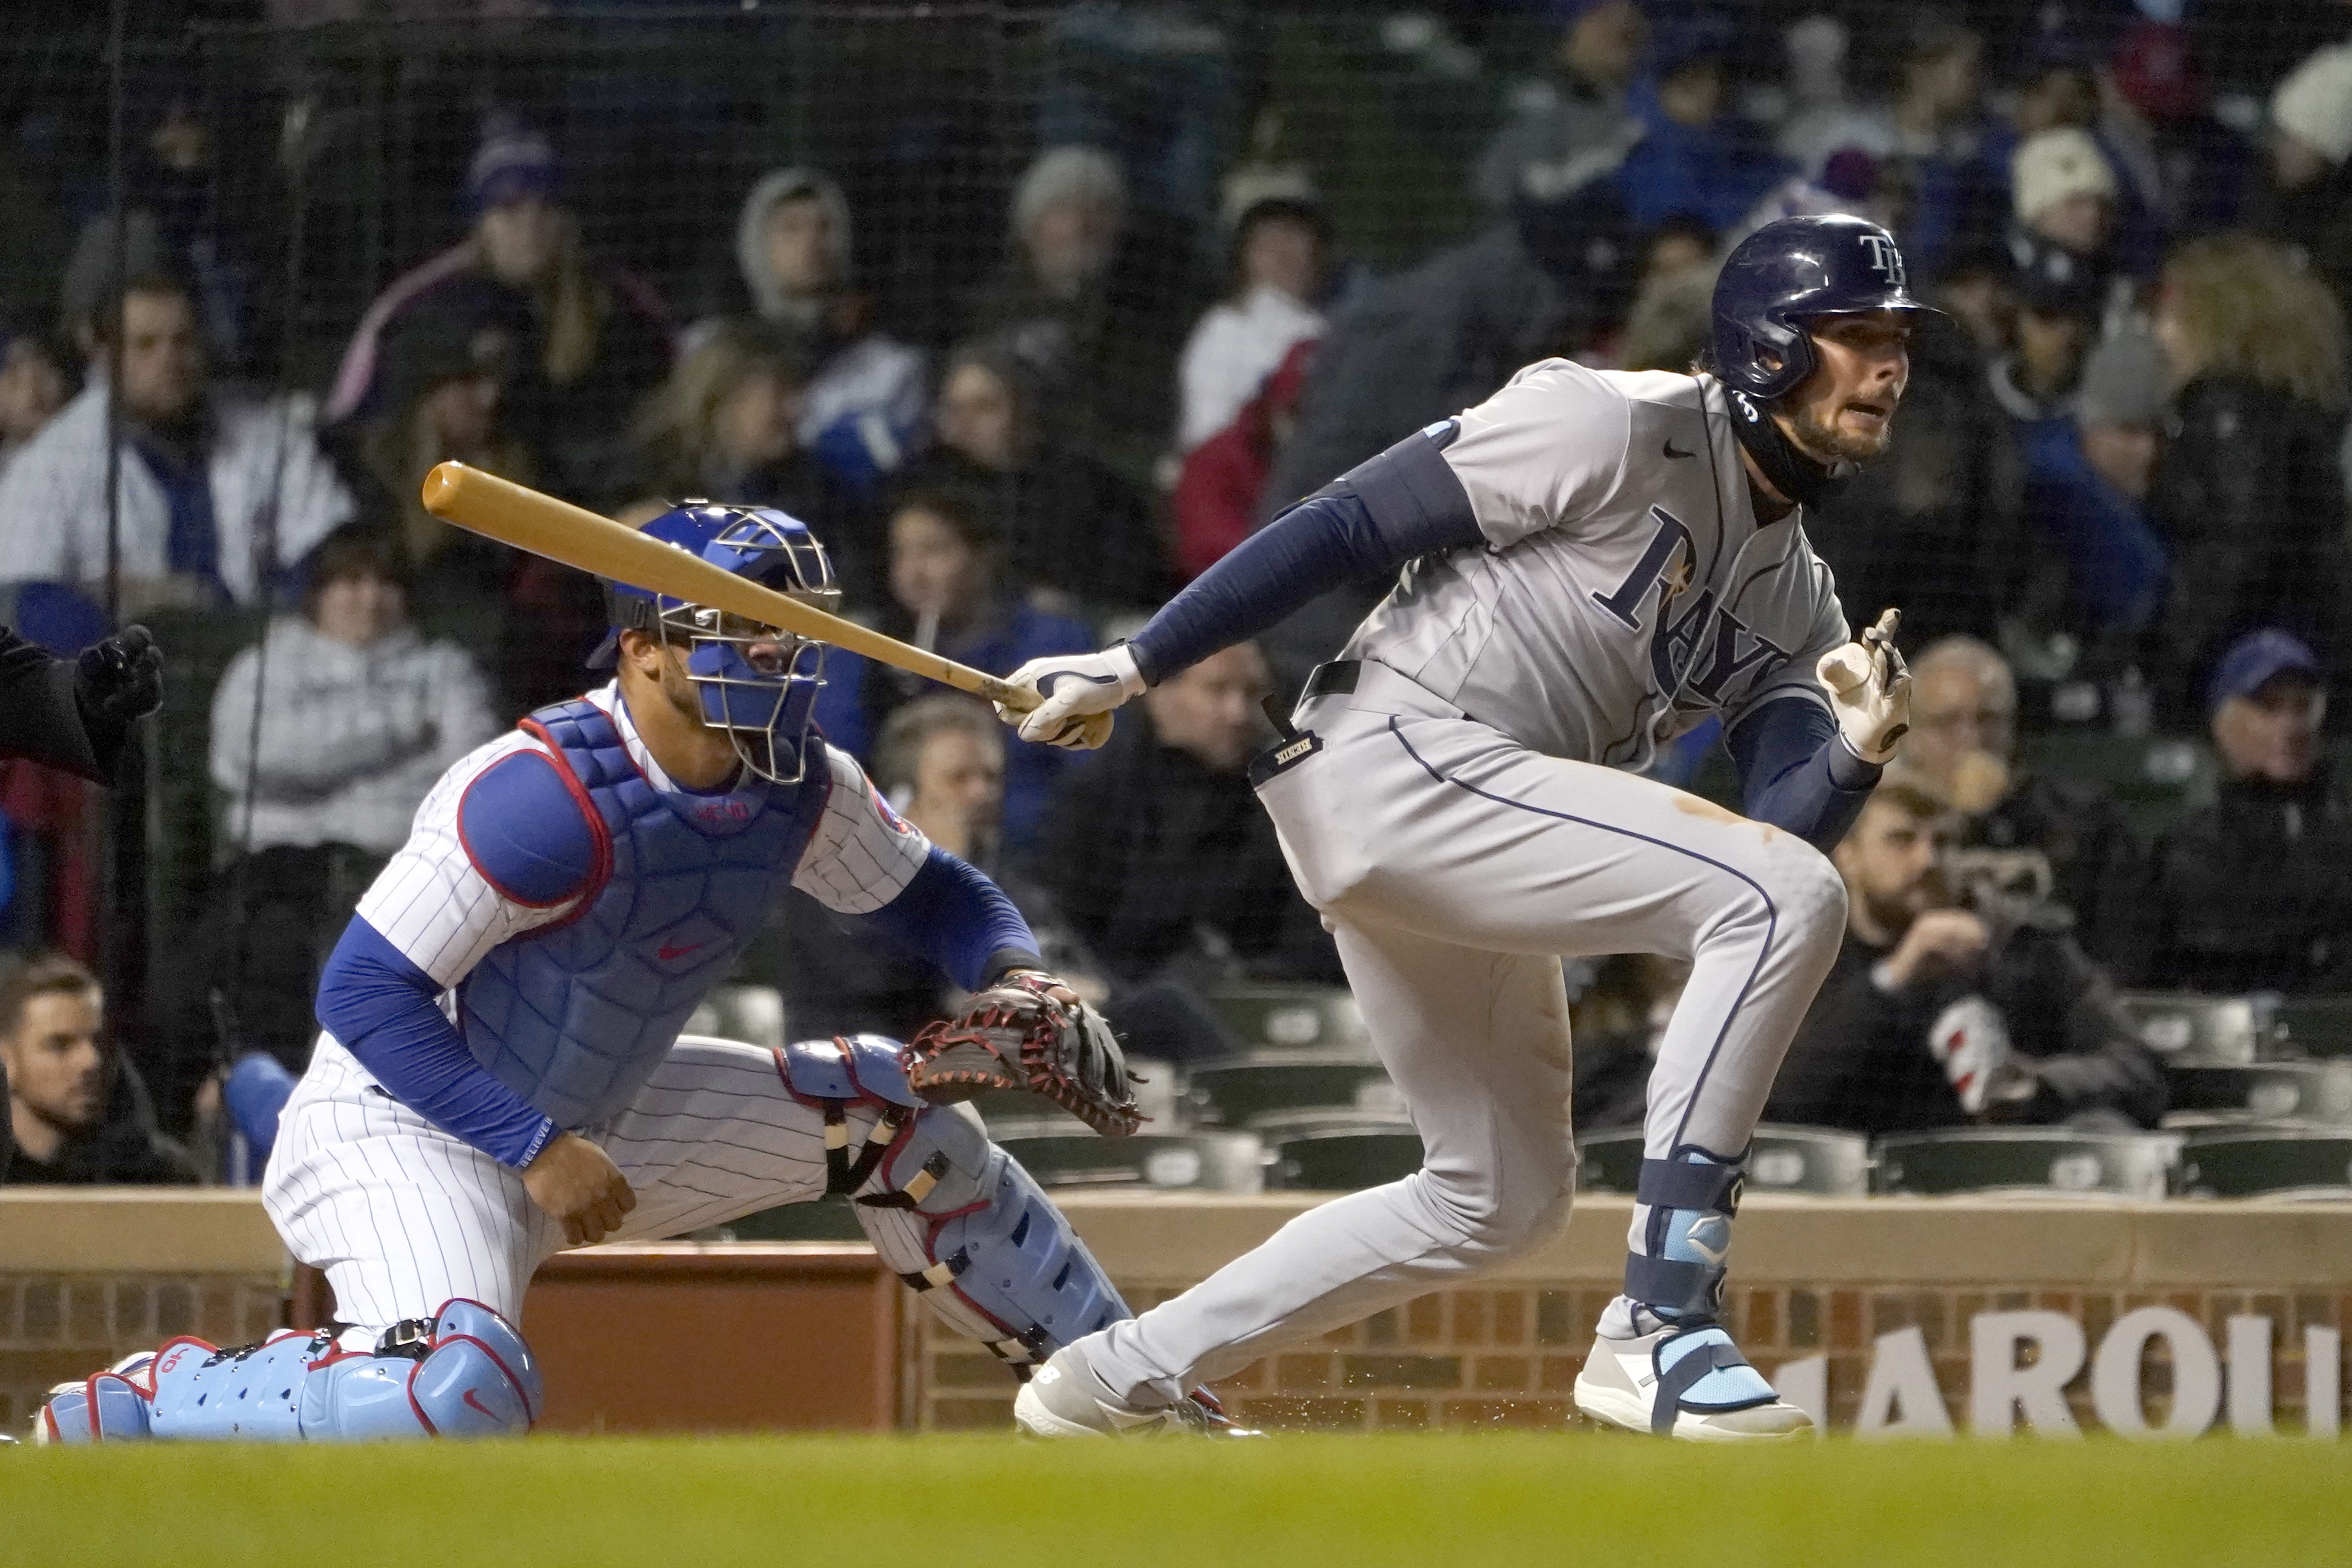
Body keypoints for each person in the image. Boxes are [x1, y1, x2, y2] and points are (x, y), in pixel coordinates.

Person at [998, 214, 1928, 1442]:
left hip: (1468, 820)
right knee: (1777, 901)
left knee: (1500, 1196)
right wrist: (1138, 659)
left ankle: (1111, 1379)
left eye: (1896, 341)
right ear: (1764, 349)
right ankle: (1659, 1325)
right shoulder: (1616, 419)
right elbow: (1346, 520)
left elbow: (1777, 834)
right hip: (1397, 754)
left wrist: (1851, 754)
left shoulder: (1798, 589)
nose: (1888, 365)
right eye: (1854, 336)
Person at [37, 503, 1228, 1444]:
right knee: (453, 1399)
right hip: (408, 1127)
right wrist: (533, 1149)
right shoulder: (536, 797)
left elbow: (937, 897)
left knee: (901, 1124)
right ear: (649, 653)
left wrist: (1018, 978)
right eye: (749, 625)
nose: (784, 647)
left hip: (599, 1121)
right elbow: (360, 995)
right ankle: (149, 1400)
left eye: (793, 621)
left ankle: (1129, 1406)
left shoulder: (800, 778)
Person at [207, 532, 501, 1068]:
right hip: (284, 867)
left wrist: (320, 768)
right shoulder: (267, 665)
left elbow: (470, 774)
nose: (370, 597)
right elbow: (247, 757)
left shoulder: (443, 667)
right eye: (350, 581)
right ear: (318, 594)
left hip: (402, 862)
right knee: (254, 945)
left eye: (385, 583)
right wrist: (400, 731)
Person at [1764, 770, 2165, 1137]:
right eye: (1902, 840)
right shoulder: (1811, 947)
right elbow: (1778, 1097)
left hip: (2007, 1175)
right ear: (1847, 856)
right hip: (1863, 1187)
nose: (1928, 859)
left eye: (1943, 842)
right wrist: (1891, 981)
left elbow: (2139, 1070)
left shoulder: (2019, 939)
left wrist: (2033, 1083)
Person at [322, 117, 672, 500]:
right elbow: (354, 425)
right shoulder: (419, 304)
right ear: (480, 221)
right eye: (510, 206)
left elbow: (672, 407)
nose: (531, 224)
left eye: (546, 206)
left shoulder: (619, 302)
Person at [0, 269, 353, 612]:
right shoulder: (52, 461)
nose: (168, 359)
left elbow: (330, 549)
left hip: (261, 654)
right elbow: (25, 596)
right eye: (146, 345)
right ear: (106, 356)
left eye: (182, 340)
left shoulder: (270, 437)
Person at [1031, 640, 1337, 991]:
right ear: (1159, 696)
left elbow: (1313, 941)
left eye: (1252, 693)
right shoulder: (1096, 797)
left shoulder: (1288, 799)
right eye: (1217, 690)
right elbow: (1064, 929)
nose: (1238, 713)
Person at [810, 484, 1092, 852]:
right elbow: (833, 764)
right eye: (902, 554)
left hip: (1028, 854)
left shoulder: (1053, 646)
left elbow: (1083, 778)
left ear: (983, 556)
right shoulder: (865, 651)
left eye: (934, 551)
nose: (914, 574)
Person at [2143, 235, 2350, 726]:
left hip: (2248, 671)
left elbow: (2241, 546)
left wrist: (2177, 658)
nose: (2160, 335)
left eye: (2172, 317)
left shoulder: (2227, 411)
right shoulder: (2293, 407)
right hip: (2304, 648)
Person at [2117, 631, 2352, 996]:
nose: (2290, 727)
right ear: (2225, 723)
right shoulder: (2184, 851)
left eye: (2303, 707)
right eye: (2269, 708)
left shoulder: (2341, 839)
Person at [1902, 636, 2140, 962]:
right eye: (1947, 723)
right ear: (1910, 737)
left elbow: (2115, 945)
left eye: (1988, 720)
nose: (1972, 739)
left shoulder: (2084, 821)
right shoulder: (1883, 826)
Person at [895, 337, 1166, 613]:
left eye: (984, 407)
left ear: (1024, 409)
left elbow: (1132, 584)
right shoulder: (922, 486)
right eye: (954, 409)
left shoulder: (1088, 488)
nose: (964, 424)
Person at [716, 168, 926, 495]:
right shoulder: (712, 353)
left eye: (824, 227)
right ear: (757, 243)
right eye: (791, 228)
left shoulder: (893, 369)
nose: (810, 243)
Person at [1, 953, 199, 1186]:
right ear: (6, 1061)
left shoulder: (158, 1180)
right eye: (60, 1044)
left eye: (98, 1041)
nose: (91, 1061)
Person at [1175, 196, 1328, 455]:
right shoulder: (1225, 328)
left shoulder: (1331, 328)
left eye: (1298, 241)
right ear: (1247, 257)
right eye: (1271, 245)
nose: (1286, 256)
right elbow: (1209, 430)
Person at [1474, 0, 1647, 210]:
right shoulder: (1519, 75)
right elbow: (1523, 188)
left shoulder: (1627, 117)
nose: (1617, 51)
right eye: (1604, 24)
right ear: (1578, 24)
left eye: (1629, 40)